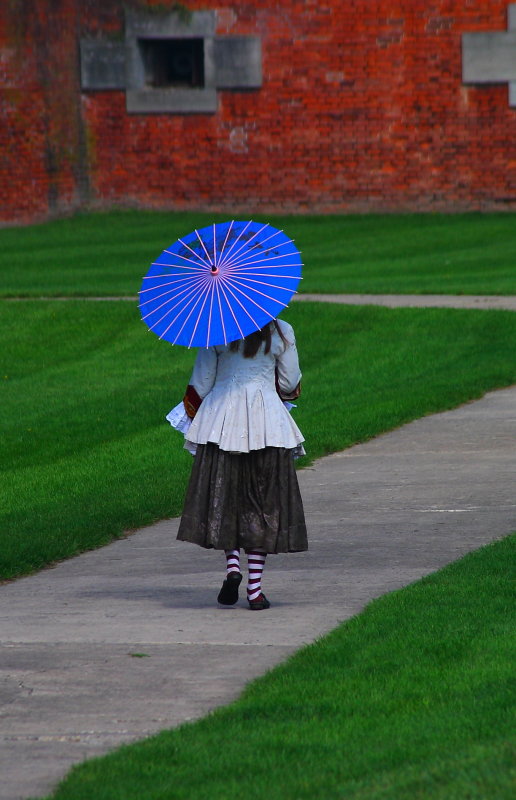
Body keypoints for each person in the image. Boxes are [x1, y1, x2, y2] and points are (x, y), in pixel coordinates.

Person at [171, 317, 307, 610]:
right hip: (268, 424)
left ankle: (233, 566)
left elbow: (202, 382)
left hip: (222, 423)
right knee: (263, 504)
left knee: (225, 497)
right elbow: (289, 383)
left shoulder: (215, 329)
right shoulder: (282, 329)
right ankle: (255, 591)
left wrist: (192, 412)